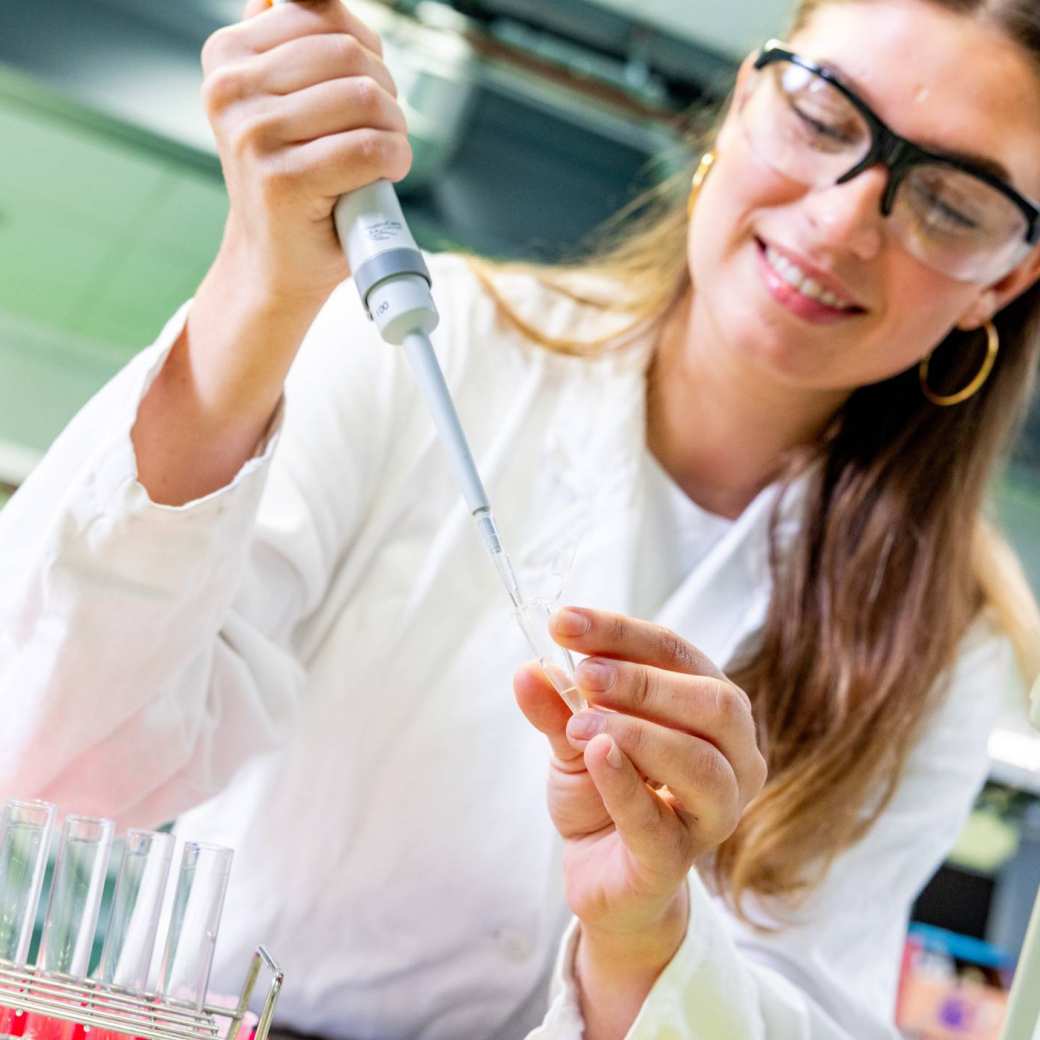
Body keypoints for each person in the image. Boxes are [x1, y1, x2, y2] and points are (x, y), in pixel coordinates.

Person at [2, 0, 1039, 1035]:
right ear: (740, 104)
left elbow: (812, 1018)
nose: (841, 220)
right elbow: (53, 750)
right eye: (820, 117)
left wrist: (643, 941)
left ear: (1006, 277)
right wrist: (256, 288)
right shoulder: (431, 350)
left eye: (951, 204)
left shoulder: (951, 639)